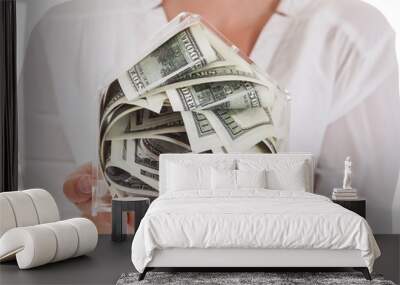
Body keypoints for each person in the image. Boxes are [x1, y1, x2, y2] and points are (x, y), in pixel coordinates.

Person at [23, 0, 400, 233]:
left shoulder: (352, 36)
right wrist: (93, 235)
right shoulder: (64, 29)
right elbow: (33, 224)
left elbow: (363, 227)